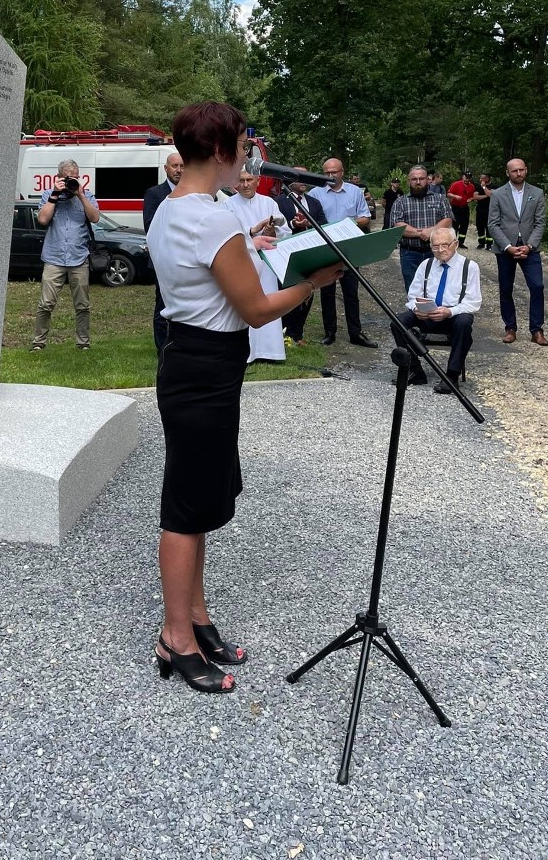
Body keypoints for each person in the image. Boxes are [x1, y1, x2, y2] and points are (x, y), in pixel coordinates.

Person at [147, 102, 343, 694]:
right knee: (185, 508)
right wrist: (312, 283)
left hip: (192, 359)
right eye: (245, 146)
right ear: (222, 152)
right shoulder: (213, 219)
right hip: (204, 367)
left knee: (200, 496)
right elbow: (255, 308)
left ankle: (197, 618)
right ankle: (174, 638)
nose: (251, 157)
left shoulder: (176, 206)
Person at [390, 227, 481, 394]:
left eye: (445, 245)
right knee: (398, 322)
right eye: (435, 246)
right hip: (427, 315)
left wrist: (449, 311)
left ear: (456, 244)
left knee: (465, 322)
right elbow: (413, 296)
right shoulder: (426, 265)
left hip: (452, 317)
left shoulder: (470, 267)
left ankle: (451, 376)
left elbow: (473, 303)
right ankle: (415, 369)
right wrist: (417, 308)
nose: (440, 250)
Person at [31, 159, 99, 351]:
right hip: (54, 257)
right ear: (59, 178)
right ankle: (38, 343)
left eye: (76, 177)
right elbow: (43, 219)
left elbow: (95, 218)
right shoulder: (48, 195)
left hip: (79, 258)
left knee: (83, 305)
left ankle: (83, 343)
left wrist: (81, 196)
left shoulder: (86, 195)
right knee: (46, 304)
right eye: (69, 178)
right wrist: (55, 194)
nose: (73, 181)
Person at [308, 158, 378, 347]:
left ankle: (355, 332)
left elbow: (365, 218)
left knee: (351, 291)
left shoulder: (355, 192)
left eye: (334, 172)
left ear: (342, 172)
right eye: (327, 173)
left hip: (349, 247)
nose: (330, 176)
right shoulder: (315, 193)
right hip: (325, 248)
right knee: (327, 292)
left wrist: (348, 224)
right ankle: (329, 332)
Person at [225, 167, 291, 363]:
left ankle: (270, 351)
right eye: (242, 180)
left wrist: (272, 231)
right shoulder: (228, 205)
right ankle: (248, 352)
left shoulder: (269, 203)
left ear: (258, 181)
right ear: (235, 183)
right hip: (242, 261)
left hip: (266, 261)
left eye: (249, 180)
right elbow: (227, 234)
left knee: (269, 299)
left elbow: (285, 231)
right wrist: (253, 230)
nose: (245, 185)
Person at [487, 158, 547, 346]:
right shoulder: (497, 194)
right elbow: (493, 224)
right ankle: (510, 328)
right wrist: (508, 247)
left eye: (521, 170)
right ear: (507, 173)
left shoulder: (537, 193)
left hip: (530, 248)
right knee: (506, 288)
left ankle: (536, 330)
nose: (518, 173)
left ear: (526, 170)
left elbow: (540, 223)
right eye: (514, 171)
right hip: (506, 249)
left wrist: (529, 246)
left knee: (537, 286)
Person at [275, 170, 326, 346]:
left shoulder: (314, 203)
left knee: (307, 292)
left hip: (309, 253)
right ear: (289, 179)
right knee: (286, 291)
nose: (304, 181)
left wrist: (310, 224)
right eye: (299, 177)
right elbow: (276, 225)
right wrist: (293, 224)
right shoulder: (278, 202)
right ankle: (282, 332)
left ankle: (297, 333)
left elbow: (324, 224)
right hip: (286, 254)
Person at [143, 152, 184, 350]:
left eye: (182, 166)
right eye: (174, 166)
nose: (178, 170)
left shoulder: (192, 192)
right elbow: (150, 226)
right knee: (163, 305)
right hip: (164, 258)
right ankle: (162, 348)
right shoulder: (155, 194)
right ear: (166, 168)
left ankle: (180, 343)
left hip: (186, 258)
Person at [390, 166, 453, 292]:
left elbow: (448, 220)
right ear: (409, 181)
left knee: (438, 290)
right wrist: (421, 233)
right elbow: (397, 224)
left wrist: (432, 231)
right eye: (414, 179)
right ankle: (416, 312)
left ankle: (436, 312)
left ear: (428, 180)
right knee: (413, 291)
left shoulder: (440, 199)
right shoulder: (400, 202)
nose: (418, 182)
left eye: (421, 178)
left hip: (436, 252)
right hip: (410, 255)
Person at [447, 170, 476, 247]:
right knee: (455, 225)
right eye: (466, 177)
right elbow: (449, 194)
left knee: (464, 225)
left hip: (464, 207)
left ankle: (461, 242)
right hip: (455, 206)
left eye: (469, 178)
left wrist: (471, 199)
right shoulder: (456, 184)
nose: (467, 179)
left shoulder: (472, 186)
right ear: (463, 177)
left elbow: (472, 196)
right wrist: (455, 196)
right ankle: (453, 241)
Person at [473, 174, 495, 250]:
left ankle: (489, 244)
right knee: (480, 227)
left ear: (488, 178)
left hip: (490, 210)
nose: (481, 179)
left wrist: (484, 187)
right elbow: (475, 197)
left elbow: (490, 194)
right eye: (480, 178)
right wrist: (486, 196)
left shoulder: (494, 186)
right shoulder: (478, 187)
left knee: (489, 227)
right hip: (480, 210)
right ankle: (481, 243)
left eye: (483, 178)